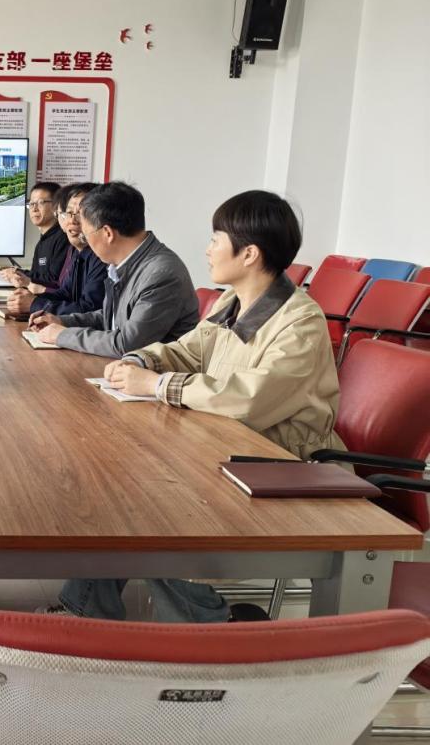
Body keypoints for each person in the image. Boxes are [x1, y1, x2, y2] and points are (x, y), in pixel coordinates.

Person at [52, 190, 346, 623]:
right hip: (228, 447)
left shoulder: (299, 321)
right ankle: (87, 611)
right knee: (119, 489)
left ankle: (210, 628)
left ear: (249, 254)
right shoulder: (232, 302)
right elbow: (188, 350)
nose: (207, 249)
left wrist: (158, 384)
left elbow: (249, 399)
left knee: (152, 515)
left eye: (215, 239)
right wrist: (141, 360)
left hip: (283, 465)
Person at [29, 182, 198, 355]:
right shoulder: (126, 264)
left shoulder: (160, 274)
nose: (85, 241)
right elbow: (109, 318)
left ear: (107, 233)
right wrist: (62, 321)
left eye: (86, 234)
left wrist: (62, 335)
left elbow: (127, 343)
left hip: (147, 369)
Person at [7, 183, 106, 317]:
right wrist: (31, 299)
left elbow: (90, 310)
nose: (71, 221)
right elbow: (65, 294)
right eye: (68, 213)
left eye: (80, 213)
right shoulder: (78, 252)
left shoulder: (102, 256)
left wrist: (34, 303)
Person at [0, 181, 65, 290]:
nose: (34, 209)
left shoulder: (64, 238)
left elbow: (54, 281)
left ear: (56, 206)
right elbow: (37, 277)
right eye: (31, 204)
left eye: (41, 203)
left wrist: (18, 272)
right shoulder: (43, 240)